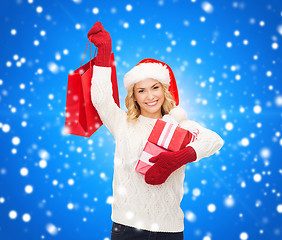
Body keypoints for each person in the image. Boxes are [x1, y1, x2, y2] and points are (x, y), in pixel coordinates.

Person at [88, 21, 224, 240]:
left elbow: (214, 140)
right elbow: (101, 99)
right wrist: (103, 53)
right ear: (134, 96)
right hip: (126, 227)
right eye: (141, 90)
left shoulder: (180, 126)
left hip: (168, 229)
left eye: (155, 88)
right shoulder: (122, 122)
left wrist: (178, 158)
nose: (150, 96)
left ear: (164, 89)